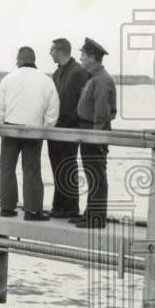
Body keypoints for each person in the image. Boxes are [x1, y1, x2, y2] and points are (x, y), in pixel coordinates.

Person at [0, 46, 59, 220]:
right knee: (32, 170)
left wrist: (1, 124)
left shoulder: (8, 79)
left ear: (19, 60)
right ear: (33, 60)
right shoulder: (46, 81)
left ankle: (6, 207)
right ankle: (33, 210)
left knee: (7, 168)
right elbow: (53, 109)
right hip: (34, 130)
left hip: (10, 128)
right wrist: (45, 128)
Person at [71, 37, 117, 229]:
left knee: (96, 174)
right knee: (92, 173)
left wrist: (96, 138)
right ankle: (90, 213)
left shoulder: (101, 80)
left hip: (94, 132)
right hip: (88, 131)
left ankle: (96, 218)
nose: (80, 58)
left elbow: (102, 114)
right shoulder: (95, 78)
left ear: (91, 57)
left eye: (83, 55)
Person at [47, 38, 90, 219]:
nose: (50, 54)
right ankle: (59, 205)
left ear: (60, 51)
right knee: (57, 165)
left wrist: (74, 119)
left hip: (69, 126)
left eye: (52, 50)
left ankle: (71, 207)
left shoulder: (78, 72)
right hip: (55, 126)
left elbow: (84, 100)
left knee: (67, 165)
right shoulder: (58, 73)